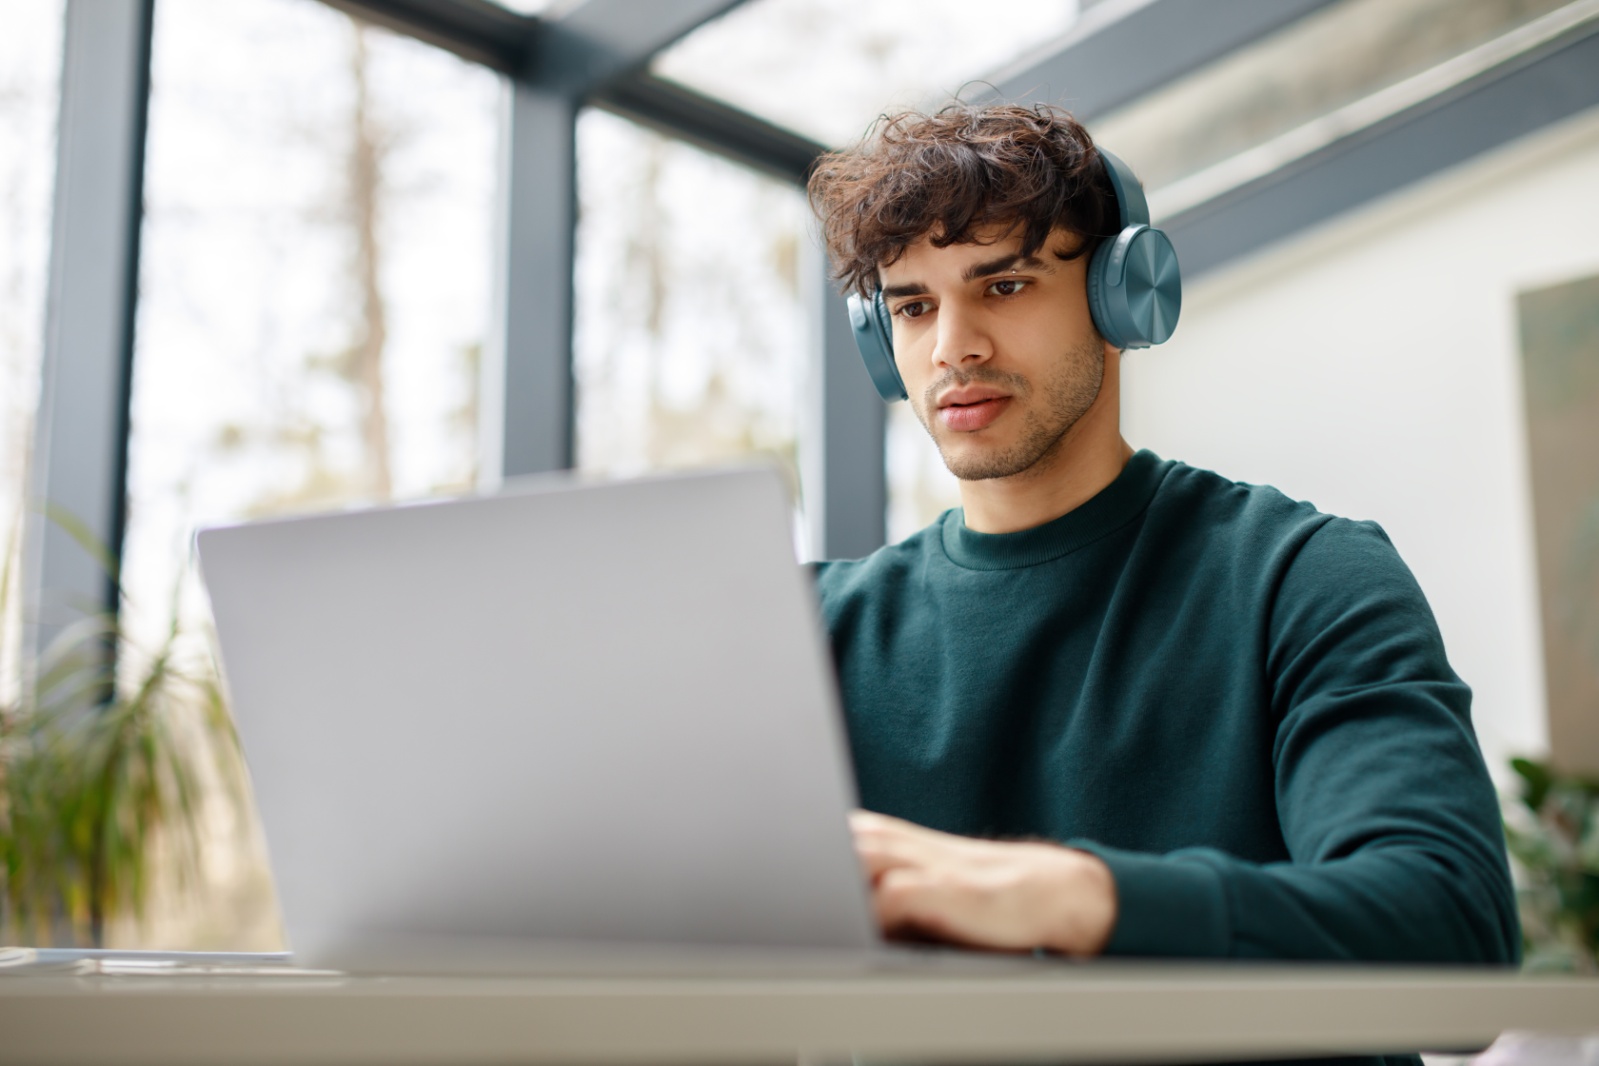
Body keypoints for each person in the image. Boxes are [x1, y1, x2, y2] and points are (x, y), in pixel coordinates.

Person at [805, 104, 1519, 980]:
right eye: (913, 308)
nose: (952, 348)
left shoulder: (1301, 578)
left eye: (1004, 286)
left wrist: (1060, 897)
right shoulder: (809, 632)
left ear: (1125, 296)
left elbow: (1446, 924)